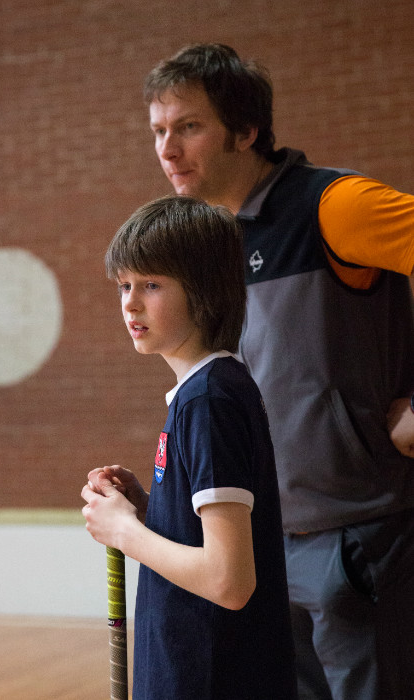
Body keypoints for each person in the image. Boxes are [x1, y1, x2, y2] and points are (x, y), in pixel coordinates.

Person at [143, 43, 414, 700]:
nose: (167, 150)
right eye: (158, 130)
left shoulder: (335, 204)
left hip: (357, 536)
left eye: (188, 126)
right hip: (258, 549)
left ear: (246, 130)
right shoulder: (207, 244)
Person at [81, 195, 298, 700]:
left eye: (152, 285)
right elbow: (209, 542)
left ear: (204, 291)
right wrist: (151, 512)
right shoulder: (203, 393)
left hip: (211, 680)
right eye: (125, 285)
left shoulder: (209, 400)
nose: (130, 303)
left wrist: (125, 532)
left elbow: (229, 581)